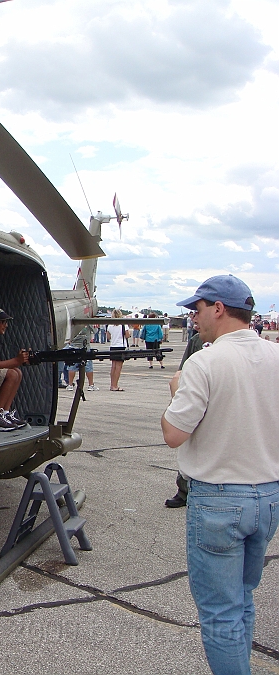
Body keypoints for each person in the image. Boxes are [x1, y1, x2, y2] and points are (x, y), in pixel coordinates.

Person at [161, 274, 279, 674]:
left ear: (218, 308)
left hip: (219, 500)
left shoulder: (205, 361)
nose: (193, 318)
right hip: (268, 495)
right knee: (243, 598)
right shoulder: (276, 355)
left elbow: (174, 434)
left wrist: (177, 391)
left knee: (219, 613)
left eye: (196, 309)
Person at [164, 325, 204, 509]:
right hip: (197, 400)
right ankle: (184, 490)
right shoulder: (197, 340)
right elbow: (182, 371)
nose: (195, 318)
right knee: (190, 444)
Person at [107, 310, 128, 391]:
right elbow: (127, 335)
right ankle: (115, 385)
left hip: (113, 346)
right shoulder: (123, 325)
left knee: (113, 366)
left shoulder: (110, 325)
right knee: (118, 367)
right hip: (120, 346)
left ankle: (112, 384)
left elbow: (108, 337)